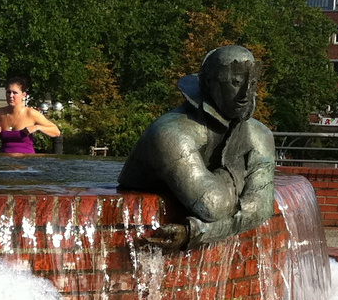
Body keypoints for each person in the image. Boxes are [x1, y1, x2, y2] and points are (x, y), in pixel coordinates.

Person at [116, 45, 275, 248]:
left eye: (252, 83)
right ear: (209, 83)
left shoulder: (258, 134)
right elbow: (213, 207)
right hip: (135, 233)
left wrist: (198, 232)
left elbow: (260, 208)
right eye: (235, 83)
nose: (246, 94)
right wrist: (234, 178)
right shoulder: (171, 134)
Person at [0, 77, 60, 155]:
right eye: (8, 92)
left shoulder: (31, 113)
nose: (11, 95)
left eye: (15, 93)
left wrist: (37, 127)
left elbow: (56, 131)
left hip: (26, 162)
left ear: (23, 95)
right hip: (5, 161)